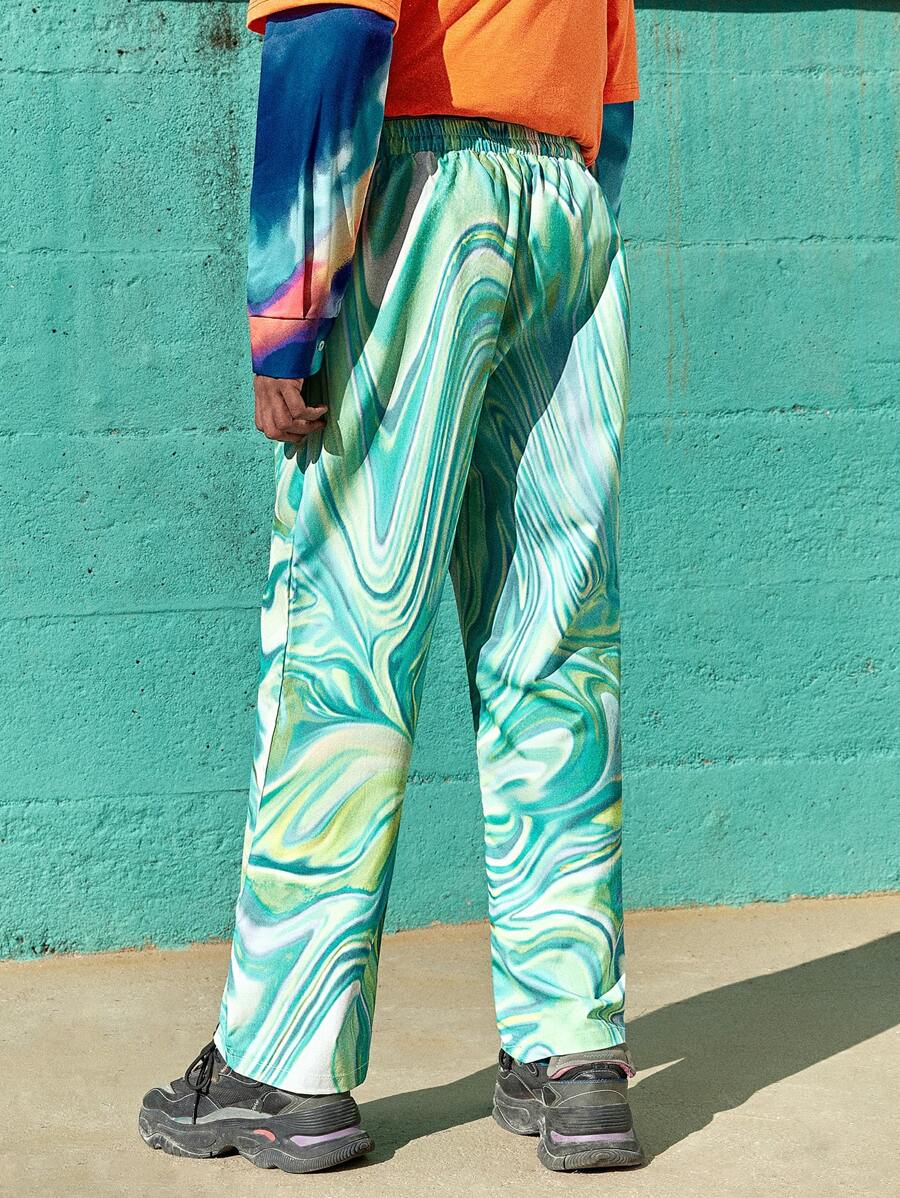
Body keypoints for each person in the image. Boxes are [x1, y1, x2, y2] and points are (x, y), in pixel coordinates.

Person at [139, 0, 641, 1175]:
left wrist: (287, 316)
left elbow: (334, 34)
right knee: (557, 640)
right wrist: (567, 218)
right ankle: (576, 1055)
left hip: (419, 202)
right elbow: (613, 97)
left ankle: (287, 1066)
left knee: (345, 636)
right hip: (567, 210)